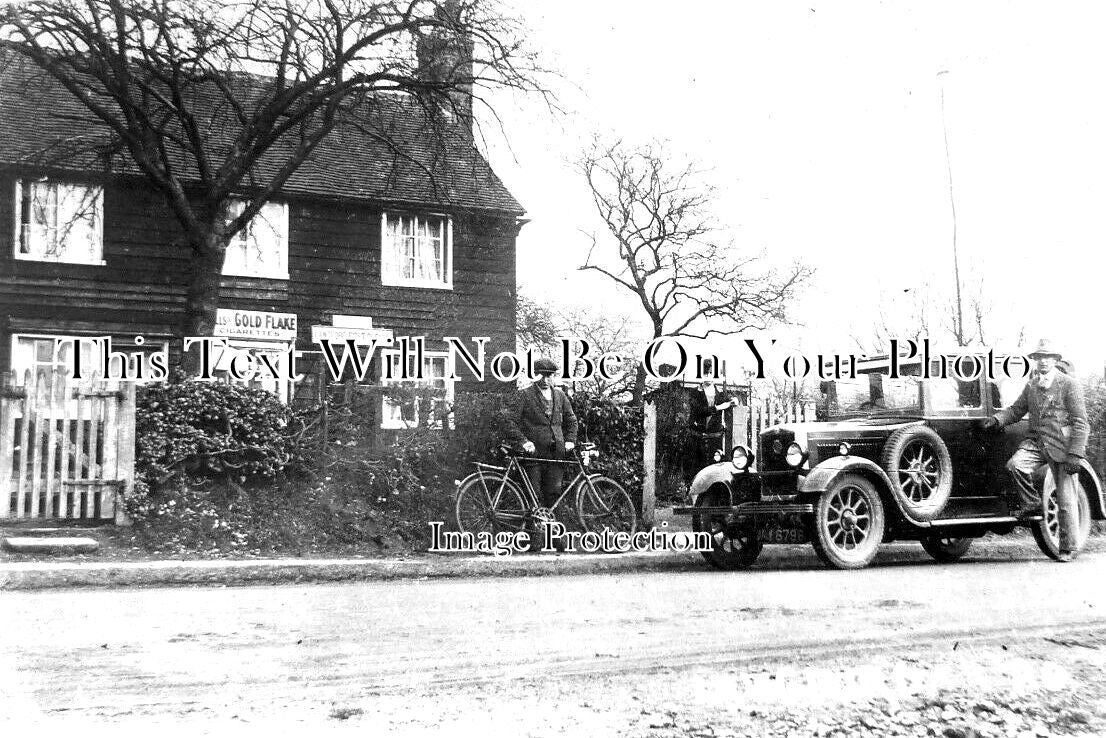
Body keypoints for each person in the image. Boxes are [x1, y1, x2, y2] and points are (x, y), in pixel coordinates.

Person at [981, 339, 1088, 561]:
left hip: (1062, 446)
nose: (1043, 362)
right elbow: (1016, 410)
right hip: (1036, 443)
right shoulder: (1032, 385)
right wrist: (996, 419)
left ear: (1056, 360)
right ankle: (1031, 503)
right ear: (1035, 361)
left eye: (1048, 357)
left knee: (1066, 500)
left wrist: (1076, 454)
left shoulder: (1069, 384)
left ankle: (1067, 548)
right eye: (1039, 358)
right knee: (1015, 466)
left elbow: (1081, 422)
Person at [500, 357, 578, 511]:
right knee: (533, 497)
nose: (544, 379)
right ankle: (533, 531)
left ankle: (551, 530)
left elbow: (572, 420)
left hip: (556, 454)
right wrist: (523, 442)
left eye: (549, 375)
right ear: (534, 375)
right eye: (540, 375)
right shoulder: (524, 395)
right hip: (533, 455)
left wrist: (570, 440)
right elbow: (508, 421)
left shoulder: (560, 395)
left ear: (554, 376)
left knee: (554, 495)